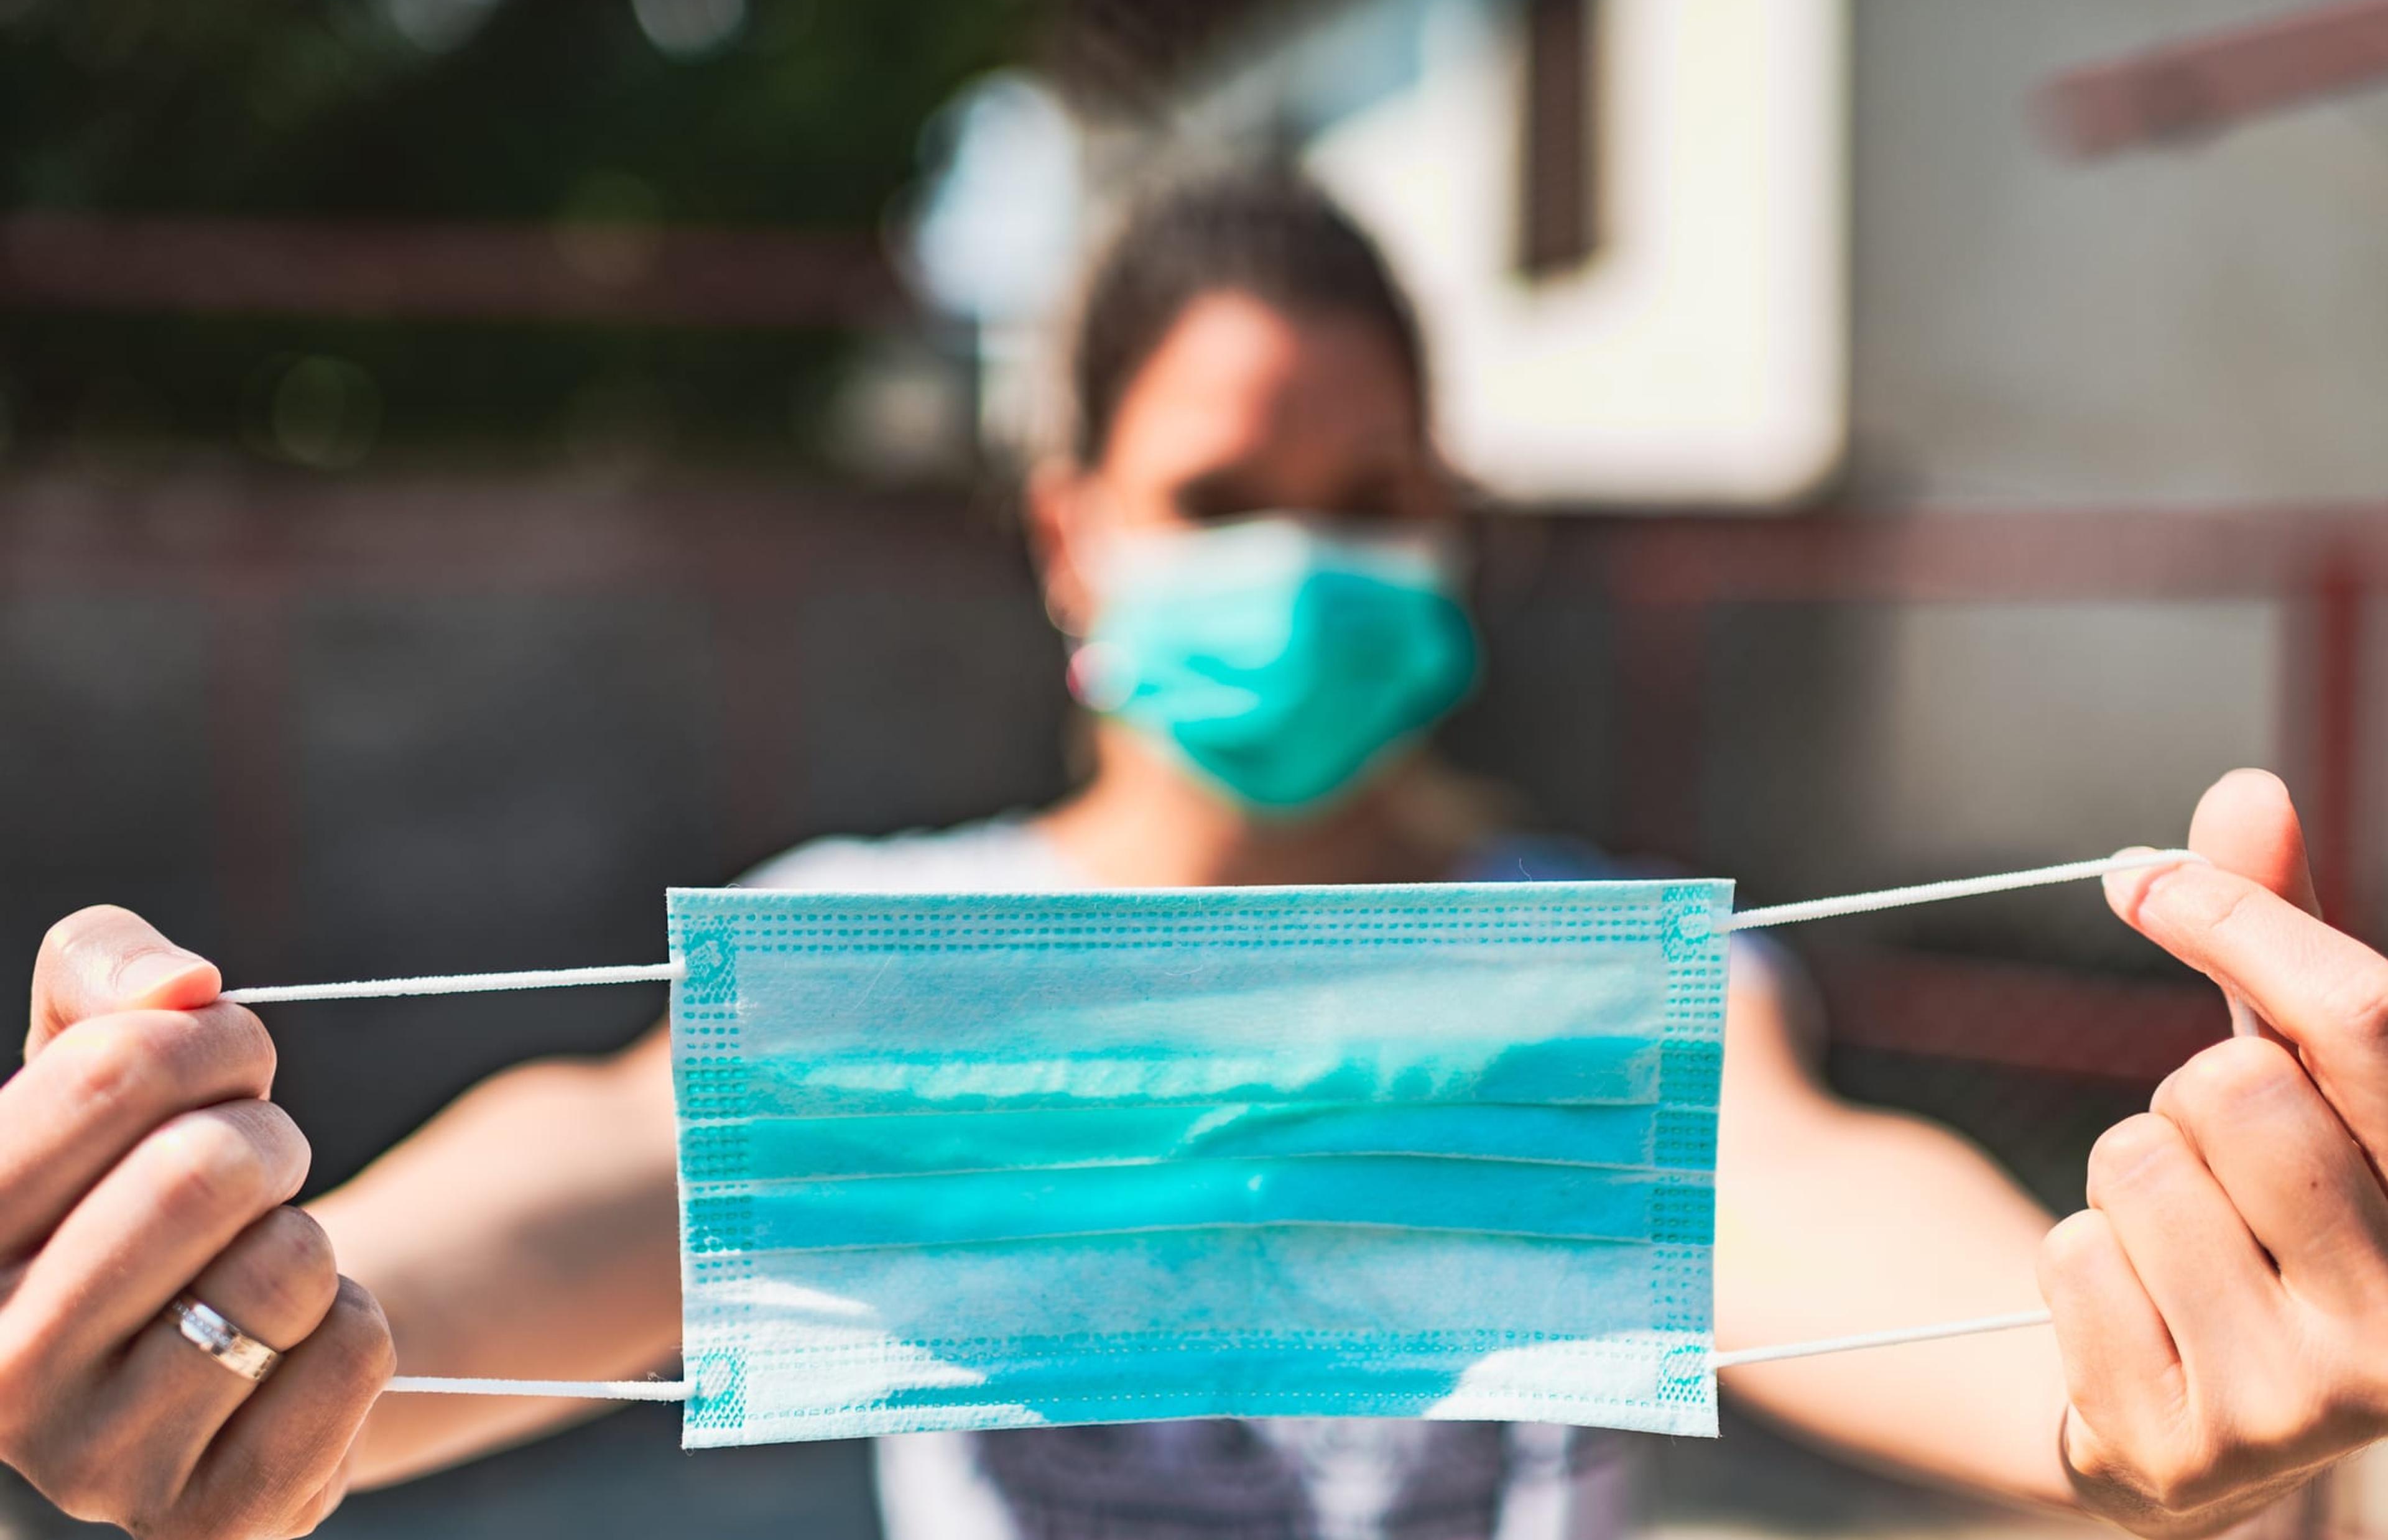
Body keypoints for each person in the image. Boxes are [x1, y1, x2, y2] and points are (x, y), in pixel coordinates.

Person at [7, 175, 2388, 1540]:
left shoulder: (1565, 974)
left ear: (1451, 544)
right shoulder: (894, 952)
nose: (1303, 563)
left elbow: (1825, 1206)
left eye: (1368, 506)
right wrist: (229, 1301)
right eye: (1226, 500)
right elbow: (590, 1186)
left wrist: (2152, 1367)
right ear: (1073, 539)